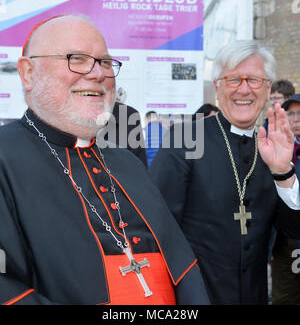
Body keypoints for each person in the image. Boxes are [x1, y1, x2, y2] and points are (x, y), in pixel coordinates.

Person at [0, 15, 210, 305]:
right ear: (28, 73)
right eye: (77, 59)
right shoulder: (4, 157)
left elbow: (181, 265)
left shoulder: (127, 163)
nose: (98, 74)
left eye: (106, 62)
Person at [149, 40, 300, 305]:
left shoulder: (272, 145)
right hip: (195, 298)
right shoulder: (183, 139)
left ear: (267, 89)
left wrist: (283, 173)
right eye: (232, 80)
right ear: (217, 87)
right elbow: (157, 232)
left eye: (254, 80)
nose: (244, 89)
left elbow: (293, 230)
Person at [271, 94, 300, 305]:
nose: (296, 118)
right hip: (283, 242)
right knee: (284, 297)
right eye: (291, 113)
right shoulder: (274, 146)